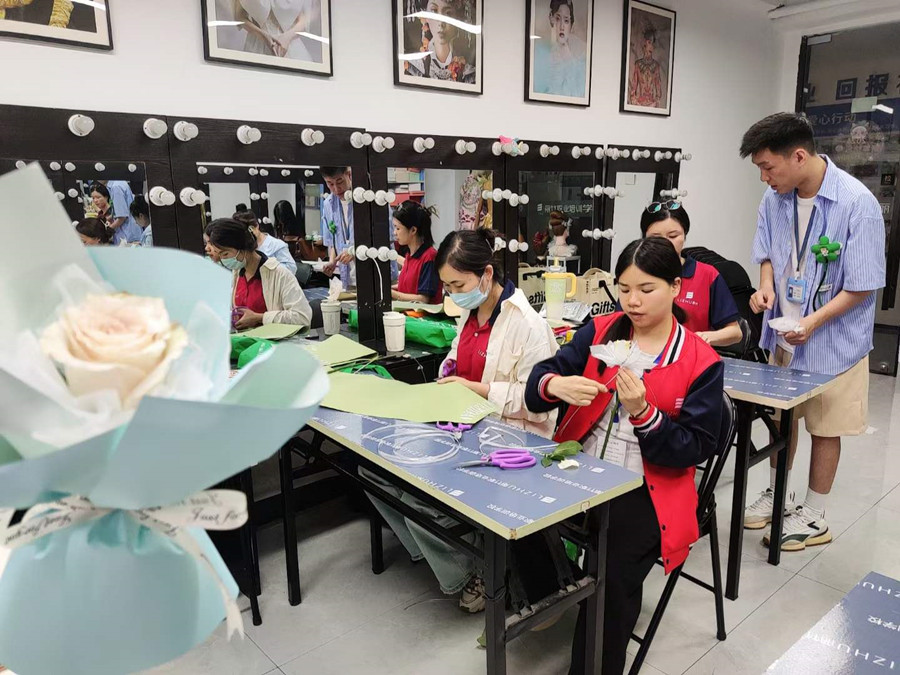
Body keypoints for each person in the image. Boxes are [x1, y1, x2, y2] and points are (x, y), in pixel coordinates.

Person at [525, 237, 724, 675]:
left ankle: (593, 660)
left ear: (676, 287)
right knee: (513, 513)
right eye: (624, 288)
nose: (632, 301)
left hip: (647, 488)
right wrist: (555, 385)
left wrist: (645, 414)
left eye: (646, 289)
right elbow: (541, 378)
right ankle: (557, 590)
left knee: (612, 577)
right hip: (582, 464)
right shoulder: (601, 330)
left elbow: (695, 447)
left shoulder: (699, 360)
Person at [364, 228, 560, 613]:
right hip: (463, 425)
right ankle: (443, 552)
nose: (453, 295)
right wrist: (450, 367)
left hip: (509, 439)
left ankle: (473, 572)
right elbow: (458, 357)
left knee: (419, 495)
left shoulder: (527, 325)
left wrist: (477, 389)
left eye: (458, 285)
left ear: (486, 274)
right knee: (375, 471)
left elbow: (538, 406)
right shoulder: (470, 311)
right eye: (447, 287)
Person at [739, 112, 885, 550]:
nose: (764, 178)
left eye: (768, 167)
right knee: (781, 420)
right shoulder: (774, 199)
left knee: (825, 426)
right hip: (785, 336)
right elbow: (767, 253)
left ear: (799, 156)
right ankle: (778, 495)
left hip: (833, 342)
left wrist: (813, 321)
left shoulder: (856, 204)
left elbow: (862, 284)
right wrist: (766, 288)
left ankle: (815, 514)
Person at [640, 201, 742, 346]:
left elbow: (735, 332)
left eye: (673, 236)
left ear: (685, 235)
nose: (665, 243)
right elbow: (620, 323)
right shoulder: (636, 272)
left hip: (691, 356)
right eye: (656, 237)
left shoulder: (707, 275)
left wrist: (706, 337)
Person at [205, 218, 312, 329]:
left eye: (225, 254)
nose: (223, 260)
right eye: (219, 254)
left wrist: (260, 318)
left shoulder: (279, 274)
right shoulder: (238, 272)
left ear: (243, 247)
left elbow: (302, 317)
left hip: (271, 338)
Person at [405, 0, 476, 84]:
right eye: (434, 11)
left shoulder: (469, 73)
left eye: (448, 13)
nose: (441, 23)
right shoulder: (414, 67)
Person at [532, 0, 587, 98]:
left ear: (571, 25)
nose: (562, 26)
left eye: (566, 21)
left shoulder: (579, 61)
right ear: (551, 18)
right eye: (558, 19)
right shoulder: (540, 53)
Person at [391, 202, 442, 304]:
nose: (394, 233)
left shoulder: (429, 257)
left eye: (398, 228)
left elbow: (423, 299)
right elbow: (409, 286)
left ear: (413, 230)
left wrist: (392, 294)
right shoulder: (410, 255)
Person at [320, 166, 355, 290]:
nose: (336, 188)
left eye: (340, 182)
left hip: (371, 272)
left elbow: (382, 236)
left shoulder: (366, 199)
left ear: (349, 174)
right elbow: (333, 240)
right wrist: (332, 261)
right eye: (330, 184)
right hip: (347, 277)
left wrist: (355, 251)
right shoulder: (328, 204)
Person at [233, 209, 298, 274]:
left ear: (256, 226)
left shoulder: (276, 245)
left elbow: (291, 269)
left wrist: (267, 265)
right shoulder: (242, 247)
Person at [628, 24, 663, 108]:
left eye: (652, 43)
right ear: (644, 44)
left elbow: (658, 91)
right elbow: (633, 89)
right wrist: (634, 101)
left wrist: (656, 102)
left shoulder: (656, 66)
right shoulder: (638, 64)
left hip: (652, 104)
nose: (651, 46)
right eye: (649, 43)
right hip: (639, 103)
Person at [103, 180, 143, 245]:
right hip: (132, 230)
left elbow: (122, 217)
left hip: (127, 235)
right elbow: (121, 210)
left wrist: (108, 230)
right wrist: (107, 219)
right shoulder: (119, 182)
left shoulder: (116, 187)